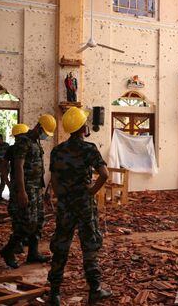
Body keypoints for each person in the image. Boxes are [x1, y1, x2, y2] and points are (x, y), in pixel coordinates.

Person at [48, 107, 110, 305]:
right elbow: (105, 174)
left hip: (65, 205)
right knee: (89, 245)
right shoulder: (89, 149)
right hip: (84, 204)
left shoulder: (57, 151)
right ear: (83, 128)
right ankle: (95, 290)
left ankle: (55, 293)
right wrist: (91, 191)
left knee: (61, 246)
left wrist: (61, 197)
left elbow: (54, 180)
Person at [0, 115, 56, 269]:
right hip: (26, 189)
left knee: (38, 221)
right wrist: (21, 191)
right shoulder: (23, 141)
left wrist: (42, 189)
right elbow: (18, 166)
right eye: (45, 132)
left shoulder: (35, 142)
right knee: (26, 223)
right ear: (38, 127)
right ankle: (8, 250)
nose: (45, 135)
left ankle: (33, 253)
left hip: (36, 189)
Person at [0, 124, 29, 255]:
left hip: (24, 187)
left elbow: (4, 168)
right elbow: (4, 167)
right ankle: (17, 244)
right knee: (17, 215)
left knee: (24, 216)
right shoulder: (12, 149)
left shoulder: (28, 147)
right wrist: (7, 182)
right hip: (19, 187)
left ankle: (23, 240)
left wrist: (7, 182)